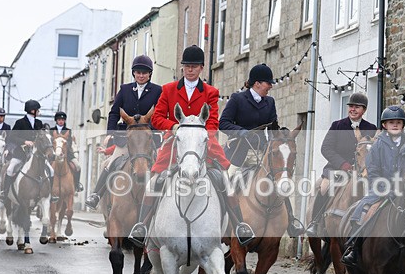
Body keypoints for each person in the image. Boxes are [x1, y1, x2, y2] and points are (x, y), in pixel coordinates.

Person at [128, 45, 255, 247]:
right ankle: (142, 225)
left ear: (201, 68)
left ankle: (239, 225)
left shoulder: (211, 92)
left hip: (203, 145)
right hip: (174, 145)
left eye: (194, 66)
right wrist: (175, 127)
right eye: (187, 66)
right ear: (183, 68)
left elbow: (213, 121)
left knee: (225, 181)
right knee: (154, 182)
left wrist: (200, 133)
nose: (190, 70)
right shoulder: (169, 90)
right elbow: (158, 118)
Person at [340, 105, 405, 269]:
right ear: (385, 125)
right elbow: (372, 172)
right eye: (391, 122)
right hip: (381, 190)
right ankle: (354, 250)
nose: (395, 125)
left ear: (402, 125)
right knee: (362, 210)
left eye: (398, 122)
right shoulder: (377, 146)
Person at [219, 63, 305, 237]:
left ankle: (291, 220)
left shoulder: (270, 102)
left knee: (279, 180)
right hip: (238, 154)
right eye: (268, 83)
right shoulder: (237, 99)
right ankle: (219, 220)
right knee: (226, 182)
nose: (271, 86)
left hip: (262, 152)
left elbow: (273, 126)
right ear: (257, 83)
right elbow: (223, 123)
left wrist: (283, 134)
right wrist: (242, 132)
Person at [85, 55, 162, 209]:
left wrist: (157, 131)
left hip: (148, 138)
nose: (141, 75)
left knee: (161, 166)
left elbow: (160, 113)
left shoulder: (157, 91)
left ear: (150, 74)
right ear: (134, 73)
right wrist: (110, 133)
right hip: (126, 137)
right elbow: (114, 112)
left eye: (144, 73)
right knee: (111, 162)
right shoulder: (125, 89)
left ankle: (163, 200)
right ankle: (97, 194)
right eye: (138, 72)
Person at [305, 92, 377, 237]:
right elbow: (326, 148)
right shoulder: (337, 125)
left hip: (363, 172)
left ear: (364, 110)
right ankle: (315, 222)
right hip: (337, 169)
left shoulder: (371, 128)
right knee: (324, 188)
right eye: (351, 106)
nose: (353, 109)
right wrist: (343, 164)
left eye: (357, 107)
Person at [0, 100, 49, 200]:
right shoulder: (20, 122)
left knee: (50, 170)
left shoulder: (39, 123)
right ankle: (5, 192)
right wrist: (25, 141)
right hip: (20, 154)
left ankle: (49, 194)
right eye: (37, 110)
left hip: (36, 155)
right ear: (32, 110)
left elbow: (42, 138)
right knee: (9, 169)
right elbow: (12, 137)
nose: (39, 112)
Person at [52, 111, 83, 192]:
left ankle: (77, 184)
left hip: (67, 154)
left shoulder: (68, 130)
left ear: (64, 120)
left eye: (62, 119)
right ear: (56, 120)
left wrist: (63, 149)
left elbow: (69, 142)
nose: (61, 121)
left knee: (77, 166)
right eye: (59, 119)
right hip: (53, 154)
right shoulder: (51, 130)